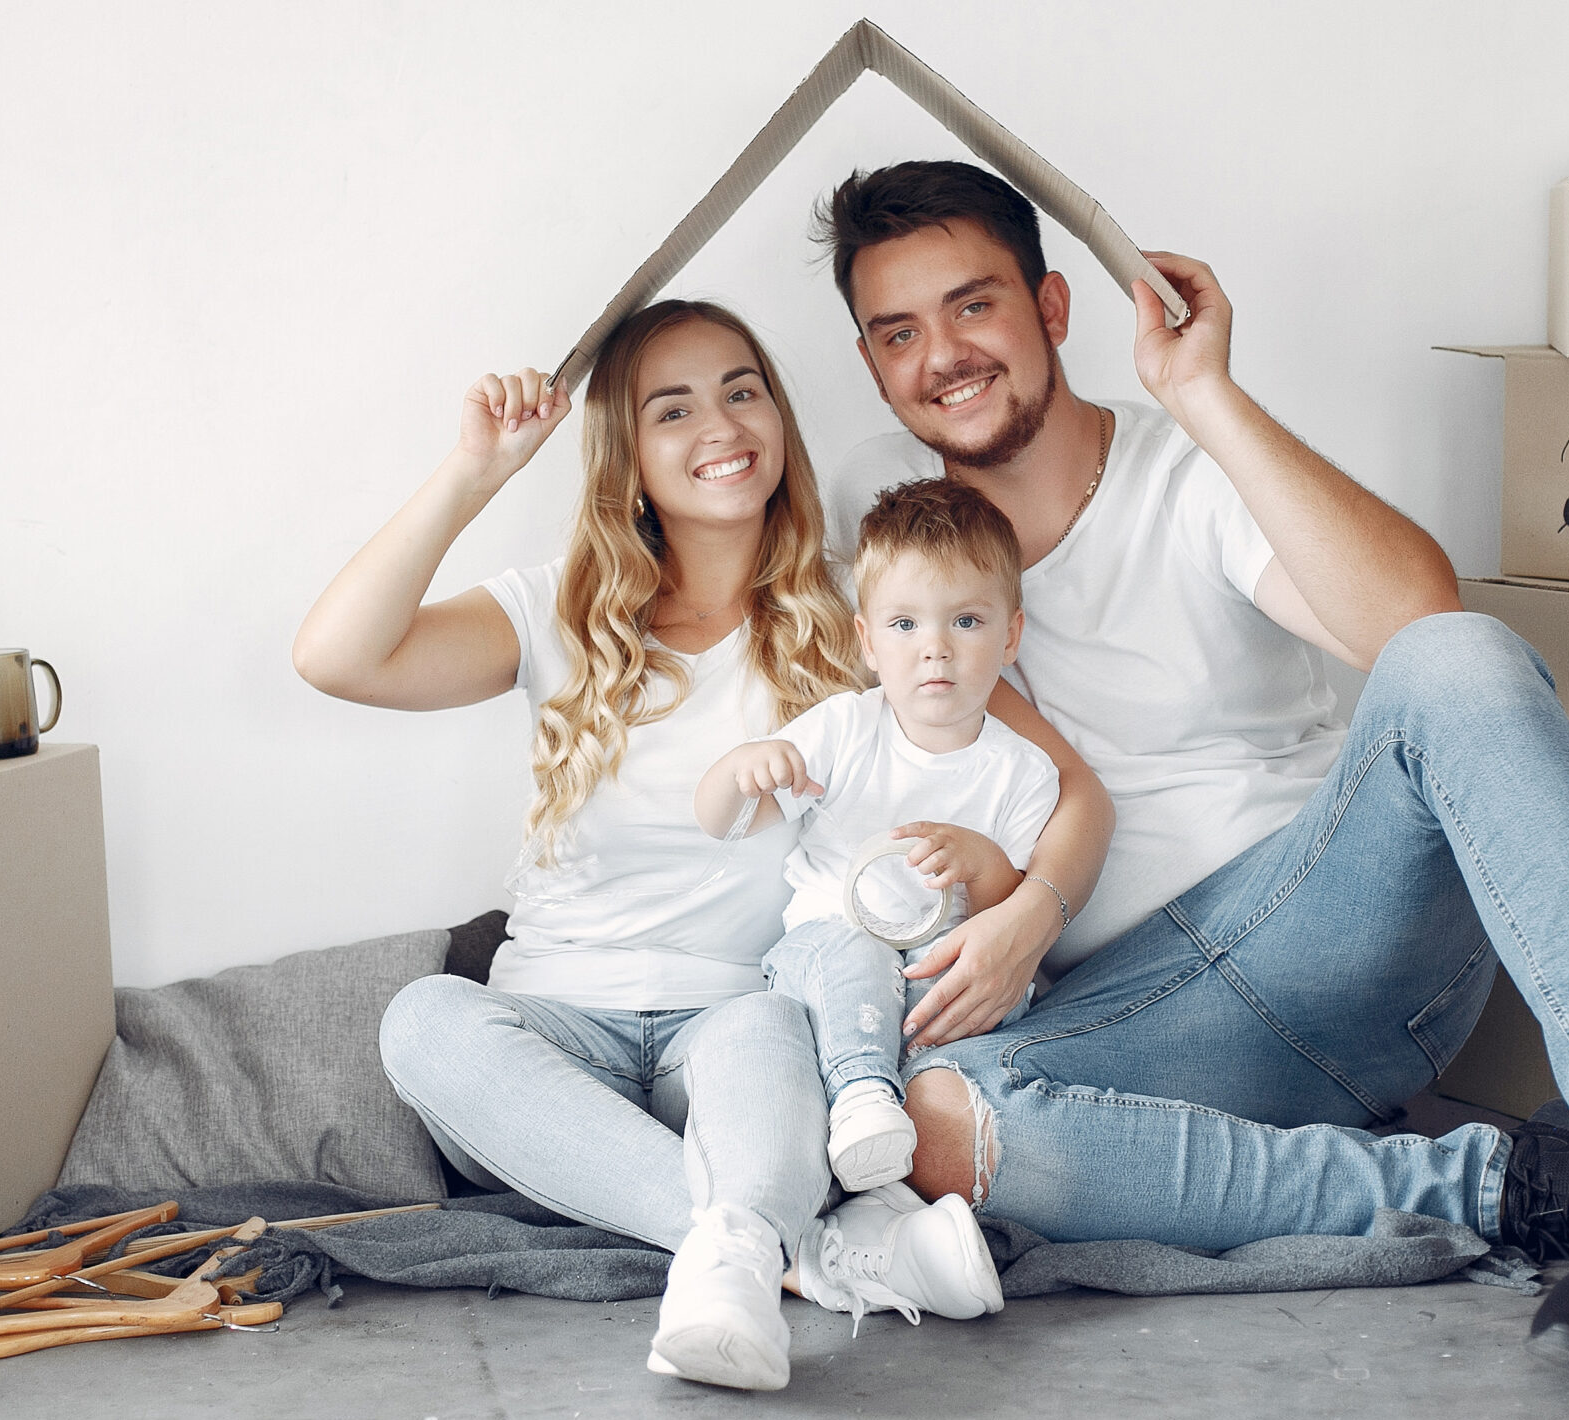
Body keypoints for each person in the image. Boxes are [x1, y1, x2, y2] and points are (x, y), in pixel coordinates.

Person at [807, 160, 1569, 1393]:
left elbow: (1413, 617)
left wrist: (1204, 393)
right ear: (873, 361)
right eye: (898, 331)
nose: (942, 353)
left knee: (1454, 659)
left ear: (1051, 307)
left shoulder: (1182, 474)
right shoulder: (871, 501)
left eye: (972, 305)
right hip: (1132, 1018)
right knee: (926, 1121)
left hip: (1330, 938)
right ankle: (1511, 1188)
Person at [293, 299, 1108, 1391]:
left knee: (772, 1026)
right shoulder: (558, 610)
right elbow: (335, 657)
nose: (720, 424)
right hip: (556, 1024)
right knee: (422, 1019)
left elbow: (1074, 793)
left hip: (732, 1023)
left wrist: (1026, 903)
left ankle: (745, 1248)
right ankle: (806, 1250)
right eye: (671, 408)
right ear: (628, 457)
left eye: (741, 389)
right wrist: (475, 471)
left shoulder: (862, 615)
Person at [697, 478, 1057, 1203]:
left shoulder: (1024, 770)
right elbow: (720, 819)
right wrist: (743, 772)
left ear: (1010, 634)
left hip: (930, 968)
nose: (935, 651)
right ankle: (862, 1099)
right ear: (866, 639)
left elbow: (1011, 914)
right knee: (856, 951)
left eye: (965, 622)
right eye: (904, 626)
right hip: (828, 947)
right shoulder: (845, 730)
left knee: (973, 980)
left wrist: (983, 866)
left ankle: (911, 1120)